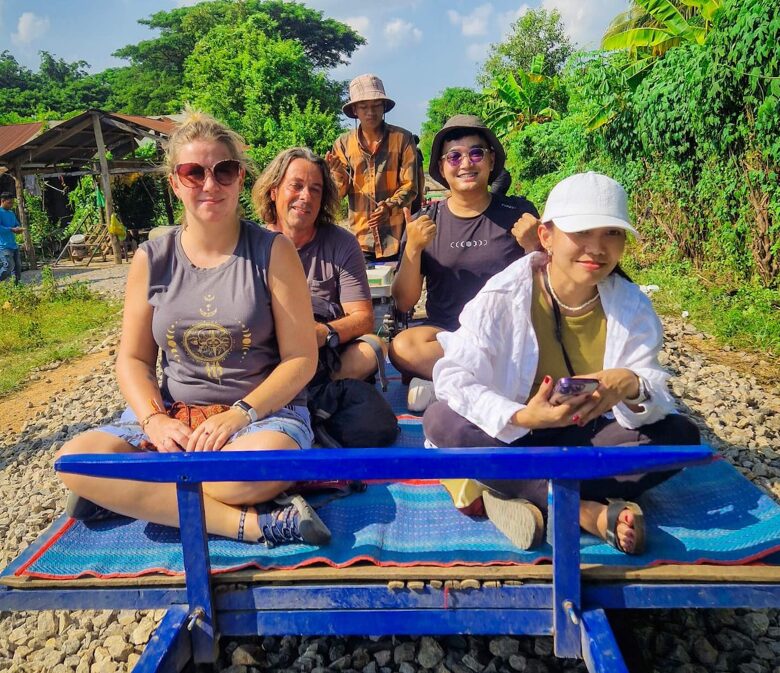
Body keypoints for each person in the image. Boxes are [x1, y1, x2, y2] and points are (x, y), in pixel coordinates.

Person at [56, 111, 330, 548]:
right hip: (175, 415)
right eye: (193, 172)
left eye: (224, 171)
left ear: (241, 178)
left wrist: (240, 413)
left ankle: (134, 496)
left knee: (254, 468)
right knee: (75, 462)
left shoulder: (272, 251)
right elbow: (133, 359)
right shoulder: (152, 257)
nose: (210, 184)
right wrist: (154, 421)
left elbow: (301, 359)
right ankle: (253, 525)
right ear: (174, 182)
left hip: (260, 417)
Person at [423, 172, 701, 554]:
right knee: (440, 420)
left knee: (680, 437)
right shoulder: (505, 295)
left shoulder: (631, 306)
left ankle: (503, 488)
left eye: (611, 234)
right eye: (582, 233)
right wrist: (523, 417)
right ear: (546, 237)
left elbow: (650, 389)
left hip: (584, 437)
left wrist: (631, 385)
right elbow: (453, 377)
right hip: (513, 436)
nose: (597, 248)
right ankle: (583, 510)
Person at [389, 115, 540, 411]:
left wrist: (534, 246)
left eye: (475, 153)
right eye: (454, 156)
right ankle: (488, 382)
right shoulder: (425, 221)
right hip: (449, 336)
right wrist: (413, 249)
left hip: (509, 336)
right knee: (402, 347)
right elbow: (404, 302)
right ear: (443, 169)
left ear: (491, 160)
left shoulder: (519, 214)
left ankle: (451, 382)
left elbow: (551, 290)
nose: (466, 164)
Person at [253, 147, 386, 383]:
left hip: (326, 353)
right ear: (273, 192)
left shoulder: (342, 243)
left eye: (315, 190)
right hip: (268, 357)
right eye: (296, 186)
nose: (306, 196)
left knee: (373, 348)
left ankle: (303, 390)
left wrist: (322, 333)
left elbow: (363, 318)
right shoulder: (252, 245)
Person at [326, 74, 419, 263]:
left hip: (397, 236)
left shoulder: (402, 139)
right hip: (360, 239)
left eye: (376, 105)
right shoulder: (343, 144)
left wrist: (389, 207)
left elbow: (411, 187)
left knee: (399, 291)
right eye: (363, 106)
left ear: (384, 107)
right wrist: (337, 172)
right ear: (354, 110)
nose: (371, 112)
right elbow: (339, 192)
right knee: (363, 292)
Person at [0, 192, 24, 283]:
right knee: (7, 267)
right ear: (2, 201)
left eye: (13, 203)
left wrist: (18, 229)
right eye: (9, 203)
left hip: (13, 245)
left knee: (17, 268)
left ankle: (17, 288)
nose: (12, 205)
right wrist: (11, 229)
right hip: (3, 246)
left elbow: (16, 224)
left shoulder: (11, 213)